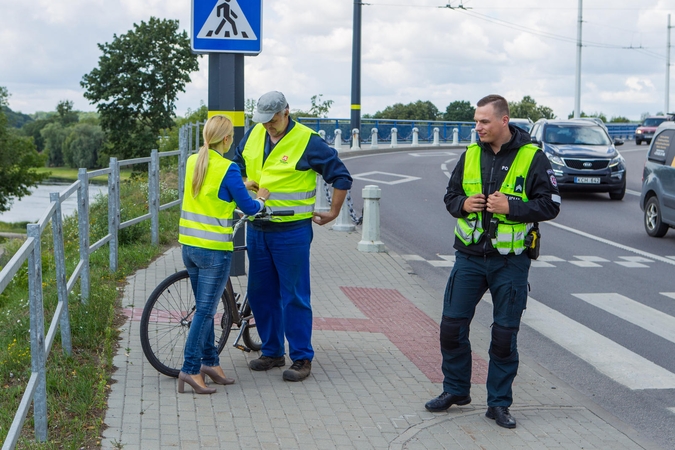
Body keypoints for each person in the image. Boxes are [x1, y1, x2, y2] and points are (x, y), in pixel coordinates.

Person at [425, 95, 561, 428]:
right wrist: (463, 204)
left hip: (510, 262)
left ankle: (498, 404)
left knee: (503, 337)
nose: (478, 127)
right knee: (451, 329)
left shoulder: (534, 158)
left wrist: (512, 207)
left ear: (504, 121)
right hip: (469, 258)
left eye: (484, 121)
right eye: (476, 121)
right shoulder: (470, 154)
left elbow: (551, 205)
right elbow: (449, 196)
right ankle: (456, 390)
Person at [232, 91, 353, 382]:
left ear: (286, 112)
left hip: (292, 231)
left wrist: (334, 212)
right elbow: (234, 168)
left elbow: (341, 176)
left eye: (272, 120)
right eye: (262, 121)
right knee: (261, 294)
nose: (267, 126)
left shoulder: (308, 141)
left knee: (294, 296)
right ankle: (272, 351)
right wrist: (242, 181)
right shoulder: (252, 136)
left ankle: (301, 357)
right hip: (258, 226)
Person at [177, 115, 270, 394]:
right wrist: (261, 196)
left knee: (203, 310)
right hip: (213, 251)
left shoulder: (194, 161)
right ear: (228, 140)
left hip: (189, 247)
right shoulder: (228, 167)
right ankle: (191, 369)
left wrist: (243, 182)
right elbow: (250, 208)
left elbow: (214, 190)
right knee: (205, 313)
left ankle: (211, 364)